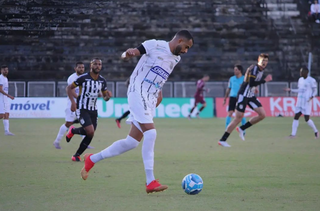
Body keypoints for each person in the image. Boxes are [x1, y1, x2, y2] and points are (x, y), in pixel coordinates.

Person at [80, 30, 194, 194]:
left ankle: (92, 159)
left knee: (131, 142)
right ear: (180, 40)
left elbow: (161, 76)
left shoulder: (176, 58)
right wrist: (128, 54)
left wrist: (159, 92)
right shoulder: (154, 44)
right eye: (186, 47)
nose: (185, 51)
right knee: (151, 133)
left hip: (150, 97)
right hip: (137, 91)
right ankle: (150, 181)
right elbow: (132, 52)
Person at [218, 53, 273, 147]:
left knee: (262, 114)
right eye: (263, 60)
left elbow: (251, 83)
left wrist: (254, 87)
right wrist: (265, 80)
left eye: (266, 61)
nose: (265, 63)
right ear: (259, 60)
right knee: (238, 118)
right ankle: (223, 140)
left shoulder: (261, 70)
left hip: (250, 95)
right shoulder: (255, 69)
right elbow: (251, 83)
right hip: (243, 95)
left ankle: (242, 128)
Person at [65, 58, 112, 161]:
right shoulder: (83, 78)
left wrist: (108, 96)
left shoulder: (102, 80)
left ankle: (76, 153)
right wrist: (73, 102)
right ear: (91, 66)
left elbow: (105, 97)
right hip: (82, 108)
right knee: (90, 131)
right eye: (95, 64)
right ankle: (75, 149)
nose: (97, 66)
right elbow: (69, 88)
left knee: (90, 133)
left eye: (99, 64)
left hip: (93, 110)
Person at [53, 62, 86, 149]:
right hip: (73, 103)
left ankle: (85, 142)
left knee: (85, 122)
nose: (81, 69)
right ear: (75, 68)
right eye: (79, 67)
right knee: (68, 123)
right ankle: (57, 141)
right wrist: (77, 100)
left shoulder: (85, 77)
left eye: (83, 67)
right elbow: (71, 90)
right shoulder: (72, 78)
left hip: (82, 104)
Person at [285, 67, 319, 138]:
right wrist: (291, 90)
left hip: (306, 102)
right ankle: (293, 134)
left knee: (307, 119)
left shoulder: (311, 80)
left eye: (302, 72)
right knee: (296, 116)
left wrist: (312, 97)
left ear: (306, 72)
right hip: (299, 101)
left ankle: (316, 131)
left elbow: (315, 90)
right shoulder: (300, 80)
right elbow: (299, 90)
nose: (300, 73)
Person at [223, 65, 246, 130]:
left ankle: (243, 129)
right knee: (230, 113)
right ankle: (226, 129)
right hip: (232, 97)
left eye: (236, 70)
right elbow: (228, 89)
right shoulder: (232, 79)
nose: (234, 71)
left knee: (241, 114)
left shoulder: (244, 78)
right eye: (234, 70)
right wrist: (225, 98)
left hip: (241, 98)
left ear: (240, 70)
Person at [0, 65, 15, 136]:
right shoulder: (1, 77)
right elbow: (0, 89)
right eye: (4, 70)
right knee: (1, 115)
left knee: (7, 114)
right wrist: (9, 96)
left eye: (7, 70)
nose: (6, 71)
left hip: (5, 99)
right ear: (1, 70)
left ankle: (7, 131)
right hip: (1, 99)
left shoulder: (5, 78)